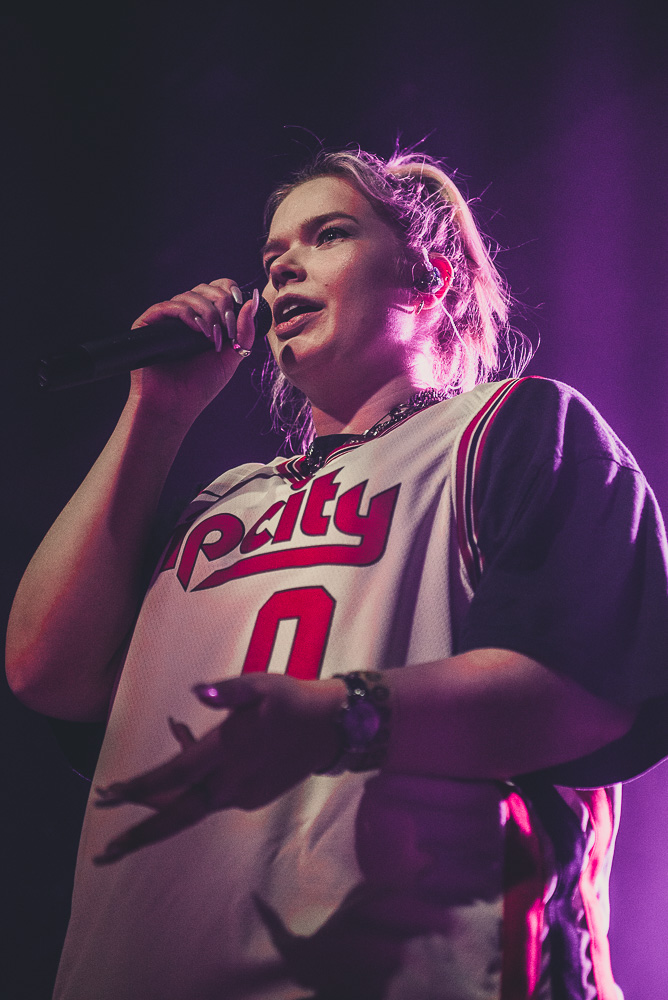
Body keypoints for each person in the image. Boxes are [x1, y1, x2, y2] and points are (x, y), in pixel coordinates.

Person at [6, 148, 668, 1000]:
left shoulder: (512, 428)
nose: (282, 266)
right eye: (272, 256)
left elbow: (590, 692)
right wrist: (156, 413)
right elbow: (46, 671)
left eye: (327, 235)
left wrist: (338, 718)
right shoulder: (222, 502)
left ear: (430, 279)